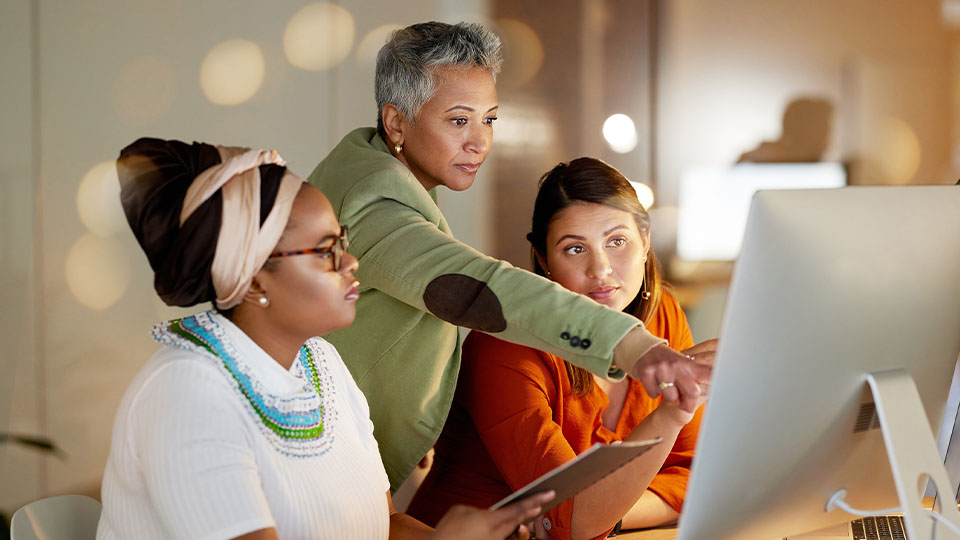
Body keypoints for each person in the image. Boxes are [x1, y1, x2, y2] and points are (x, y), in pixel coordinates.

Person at [307, 20, 711, 492]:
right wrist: (637, 348)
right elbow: (481, 286)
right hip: (319, 459)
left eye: (489, 118)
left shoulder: (379, 169)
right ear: (397, 122)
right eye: (459, 120)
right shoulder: (373, 201)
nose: (480, 142)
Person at [96, 138, 552, 540]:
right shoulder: (187, 393)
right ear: (253, 280)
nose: (350, 262)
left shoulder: (322, 363)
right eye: (324, 250)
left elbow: (384, 524)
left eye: (343, 240)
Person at [406, 158, 717, 539]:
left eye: (616, 241)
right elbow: (571, 523)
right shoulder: (504, 345)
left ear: (645, 238)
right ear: (543, 259)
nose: (600, 269)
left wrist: (610, 511)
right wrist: (671, 414)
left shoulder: (661, 316)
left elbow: (696, 478)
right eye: (574, 249)